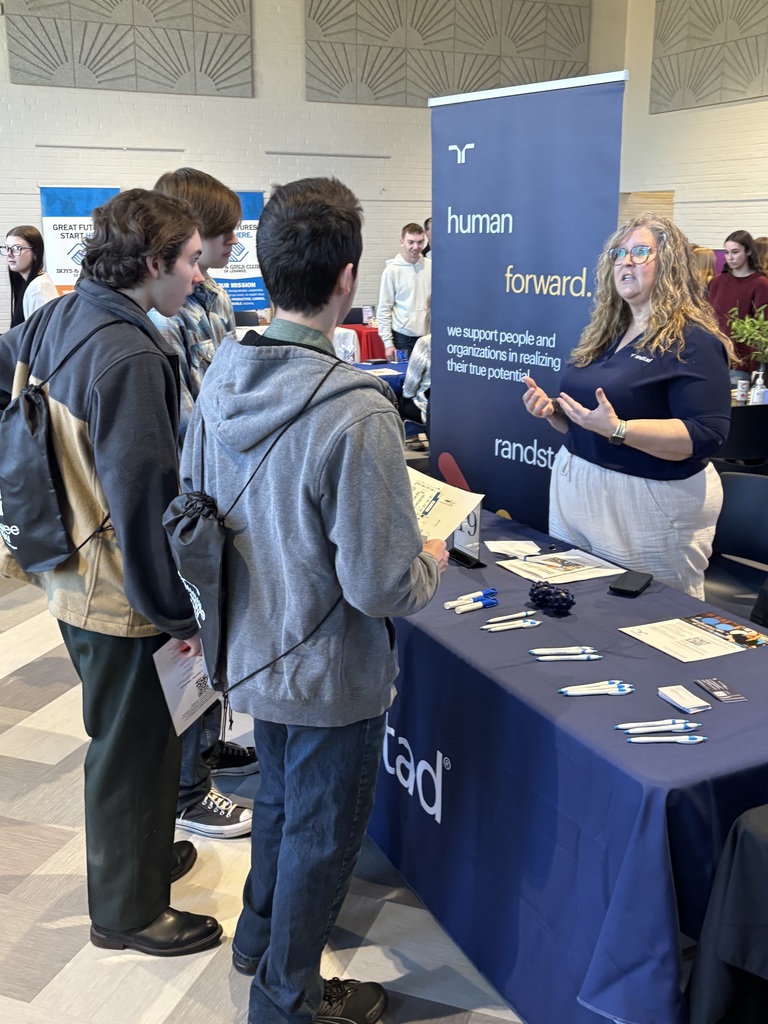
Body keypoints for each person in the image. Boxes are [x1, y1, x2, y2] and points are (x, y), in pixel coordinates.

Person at [180, 176, 448, 1024]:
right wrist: (431, 558)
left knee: (282, 809)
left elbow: (192, 502)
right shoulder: (357, 411)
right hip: (331, 671)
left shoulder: (223, 371)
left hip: (250, 651)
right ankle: (287, 999)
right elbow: (379, 584)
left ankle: (258, 940)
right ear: (347, 278)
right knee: (321, 840)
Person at [0, 189, 223, 956]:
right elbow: (145, 502)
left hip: (67, 565)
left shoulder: (69, 310)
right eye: (192, 260)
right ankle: (126, 912)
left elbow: (6, 371)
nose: (199, 276)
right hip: (117, 587)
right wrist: (176, 610)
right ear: (154, 262)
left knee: (150, 736)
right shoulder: (130, 352)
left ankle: (145, 857)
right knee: (130, 747)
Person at [522, 213, 733, 599]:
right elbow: (588, 421)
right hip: (578, 487)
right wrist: (555, 411)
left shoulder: (695, 341)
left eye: (640, 252)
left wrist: (620, 430)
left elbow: (707, 433)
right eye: (619, 254)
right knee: (578, 606)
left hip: (648, 501)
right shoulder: (605, 333)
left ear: (670, 264)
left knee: (649, 615)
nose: (626, 262)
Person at [151, 167, 255, 840]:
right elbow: (189, 416)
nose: (228, 245)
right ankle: (190, 790)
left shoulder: (213, 296)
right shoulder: (165, 314)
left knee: (218, 639)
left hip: (224, 488)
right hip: (192, 500)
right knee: (192, 639)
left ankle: (211, 748)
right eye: (219, 236)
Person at [707, 229, 768, 380]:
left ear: (748, 252)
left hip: (741, 364)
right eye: (726, 253)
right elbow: (707, 317)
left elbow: (761, 329)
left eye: (735, 252)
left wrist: (754, 366)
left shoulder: (760, 284)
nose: (730, 257)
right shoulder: (717, 281)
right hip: (713, 358)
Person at [376, 221, 431, 361]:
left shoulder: (431, 267)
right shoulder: (391, 271)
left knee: (427, 381)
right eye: (410, 242)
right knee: (405, 380)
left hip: (427, 336)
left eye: (420, 242)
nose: (416, 247)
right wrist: (388, 344)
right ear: (402, 242)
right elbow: (384, 309)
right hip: (402, 337)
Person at [4, 224, 58, 327]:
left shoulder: (38, 289)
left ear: (35, 253)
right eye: (7, 248)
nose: (9, 254)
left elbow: (43, 336)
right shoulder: (32, 284)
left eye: (17, 248)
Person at [399, 331, 431, 434]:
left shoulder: (425, 342)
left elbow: (413, 378)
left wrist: (407, 394)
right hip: (464, 407)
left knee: (399, 399)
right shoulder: (473, 338)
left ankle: (411, 436)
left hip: (429, 407)